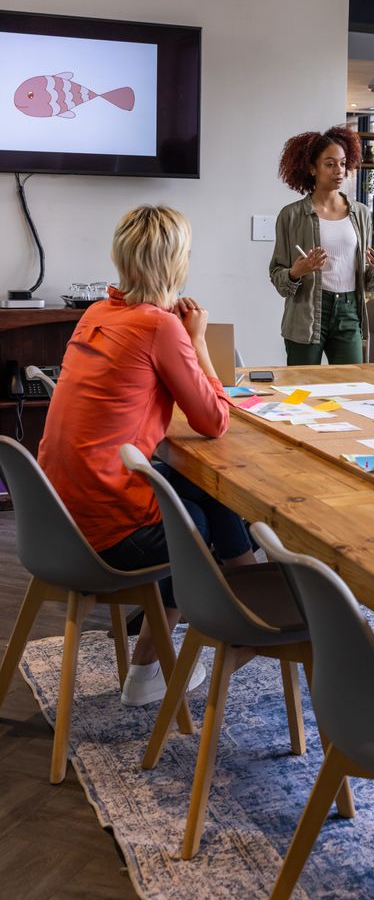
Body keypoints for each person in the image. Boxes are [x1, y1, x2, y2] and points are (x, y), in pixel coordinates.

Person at [38, 205, 255, 706]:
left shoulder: (97, 313)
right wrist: (197, 341)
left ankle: (244, 602)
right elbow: (214, 421)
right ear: (175, 263)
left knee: (201, 493)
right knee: (194, 528)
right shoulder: (159, 327)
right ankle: (147, 672)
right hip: (104, 531)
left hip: (57, 517)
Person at [269, 125, 374, 364]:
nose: (339, 171)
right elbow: (277, 275)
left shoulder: (361, 214)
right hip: (307, 314)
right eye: (330, 164)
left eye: (343, 164)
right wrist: (296, 272)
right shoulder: (291, 216)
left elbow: (366, 281)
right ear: (312, 168)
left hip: (349, 311)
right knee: (302, 391)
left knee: (351, 388)